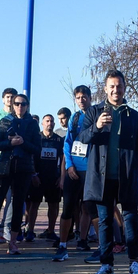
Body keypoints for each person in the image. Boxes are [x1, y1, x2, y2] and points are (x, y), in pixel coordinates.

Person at [81, 71, 138, 274]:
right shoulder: (94, 111)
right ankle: (106, 264)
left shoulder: (133, 115)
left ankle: (134, 263)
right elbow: (82, 137)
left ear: (124, 88)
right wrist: (97, 126)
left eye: (119, 86)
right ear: (105, 89)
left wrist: (134, 165)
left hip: (126, 177)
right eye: (112, 86)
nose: (115, 90)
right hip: (102, 178)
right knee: (105, 220)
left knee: (131, 218)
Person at [0, 93, 43, 255]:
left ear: (27, 106)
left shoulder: (33, 124)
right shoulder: (5, 121)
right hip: (4, 166)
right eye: (17, 104)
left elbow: (37, 148)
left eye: (23, 104)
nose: (20, 107)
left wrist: (23, 142)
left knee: (18, 205)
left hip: (23, 168)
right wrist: (10, 143)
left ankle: (13, 243)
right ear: (13, 105)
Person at [55, 86, 94, 261]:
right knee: (68, 208)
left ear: (90, 98)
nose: (81, 100)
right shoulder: (75, 117)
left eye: (84, 97)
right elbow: (67, 143)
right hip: (74, 170)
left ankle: (84, 240)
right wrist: (69, 166)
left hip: (90, 170)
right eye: (78, 97)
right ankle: (62, 245)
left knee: (89, 208)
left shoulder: (95, 115)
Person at [28, 111, 65, 242]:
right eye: (47, 121)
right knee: (34, 204)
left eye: (51, 121)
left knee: (54, 205)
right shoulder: (36, 138)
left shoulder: (59, 140)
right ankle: (30, 231)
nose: (50, 123)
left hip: (53, 178)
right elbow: (31, 157)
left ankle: (51, 231)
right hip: (38, 177)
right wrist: (33, 174)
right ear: (42, 124)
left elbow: (63, 159)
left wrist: (61, 177)